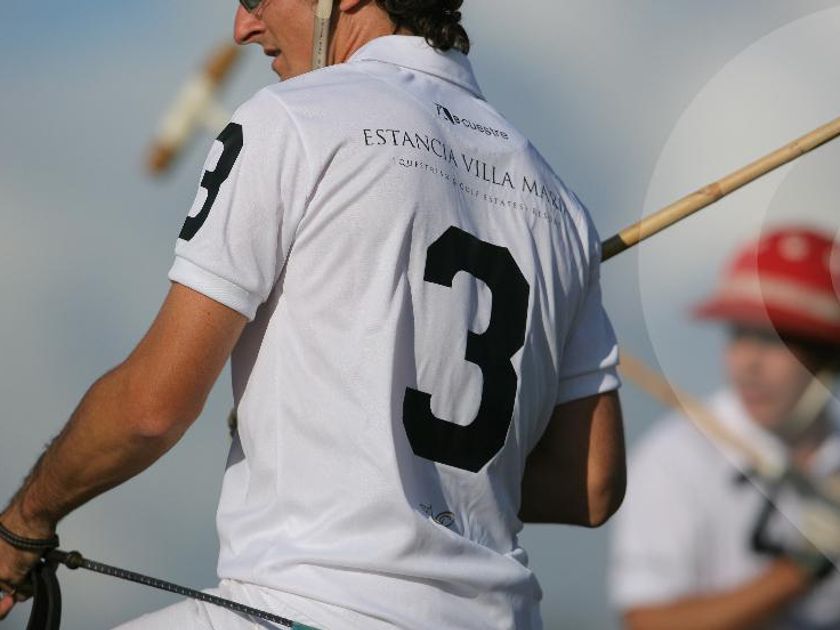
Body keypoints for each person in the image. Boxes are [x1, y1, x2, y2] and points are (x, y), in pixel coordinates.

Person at [0, 1, 626, 628]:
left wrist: (24, 520)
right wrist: (403, 466)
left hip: (309, 606)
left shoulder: (293, 119)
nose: (242, 27)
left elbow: (150, 410)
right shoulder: (561, 206)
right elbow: (592, 483)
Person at [610, 225, 840, 629]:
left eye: (774, 340)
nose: (749, 363)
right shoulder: (675, 458)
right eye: (739, 335)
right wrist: (801, 568)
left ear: (829, 358)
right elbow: (650, 622)